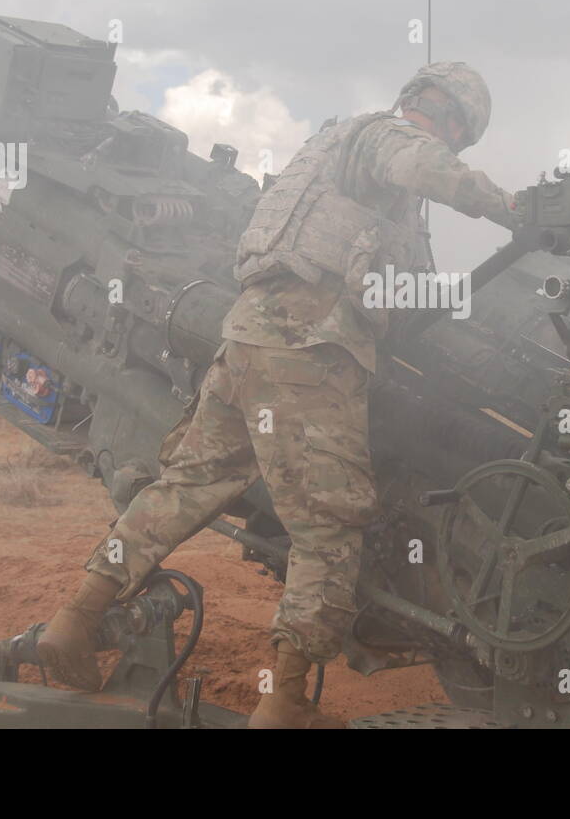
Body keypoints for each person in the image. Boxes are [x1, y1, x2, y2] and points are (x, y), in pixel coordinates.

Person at [36, 62, 517, 727]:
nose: (450, 141)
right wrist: (516, 209)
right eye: (456, 131)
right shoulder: (380, 139)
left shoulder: (325, 152)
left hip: (249, 338)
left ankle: (75, 618)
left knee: (189, 484)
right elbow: (420, 163)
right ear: (455, 124)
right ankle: (285, 701)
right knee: (329, 528)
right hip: (308, 350)